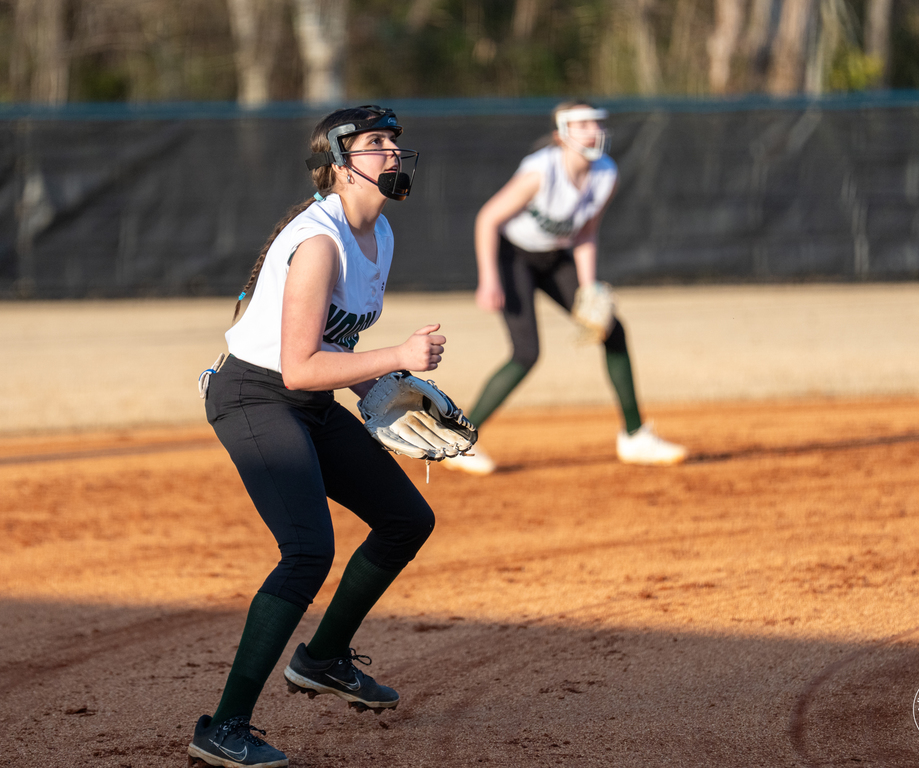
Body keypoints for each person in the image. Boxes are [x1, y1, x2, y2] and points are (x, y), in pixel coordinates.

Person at [187, 106, 444, 768]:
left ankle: (323, 657)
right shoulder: (319, 241)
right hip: (254, 396)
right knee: (306, 552)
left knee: (405, 519)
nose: (393, 152)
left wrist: (382, 392)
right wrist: (398, 358)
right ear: (338, 162)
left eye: (395, 141)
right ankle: (223, 726)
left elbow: (331, 348)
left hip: (307, 398)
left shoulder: (377, 235)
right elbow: (298, 365)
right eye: (376, 143)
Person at [445, 102, 686, 476]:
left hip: (554, 257)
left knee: (612, 329)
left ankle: (635, 436)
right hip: (513, 257)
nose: (592, 130)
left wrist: (588, 288)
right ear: (562, 134)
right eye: (582, 123)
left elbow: (586, 233)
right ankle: (458, 441)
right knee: (526, 353)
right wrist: (489, 279)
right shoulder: (541, 171)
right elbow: (488, 218)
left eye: (596, 122)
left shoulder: (606, 173)